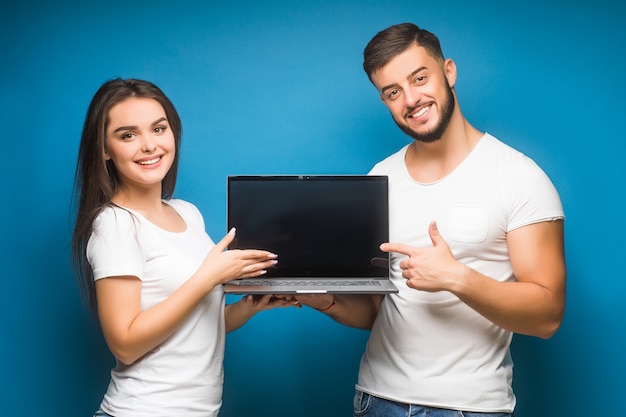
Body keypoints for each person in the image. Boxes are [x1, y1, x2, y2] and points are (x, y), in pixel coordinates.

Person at [295, 23, 566, 416]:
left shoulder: (519, 176)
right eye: (392, 92)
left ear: (449, 72)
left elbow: (547, 316)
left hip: (468, 408)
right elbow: (378, 311)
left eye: (419, 78)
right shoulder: (378, 180)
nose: (411, 99)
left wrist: (457, 278)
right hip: (376, 400)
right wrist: (327, 300)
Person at [71, 78, 299, 417]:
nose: (149, 145)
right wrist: (207, 278)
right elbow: (125, 344)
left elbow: (194, 325)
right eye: (128, 135)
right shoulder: (115, 224)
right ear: (104, 149)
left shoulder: (186, 212)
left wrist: (248, 307)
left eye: (158, 129)